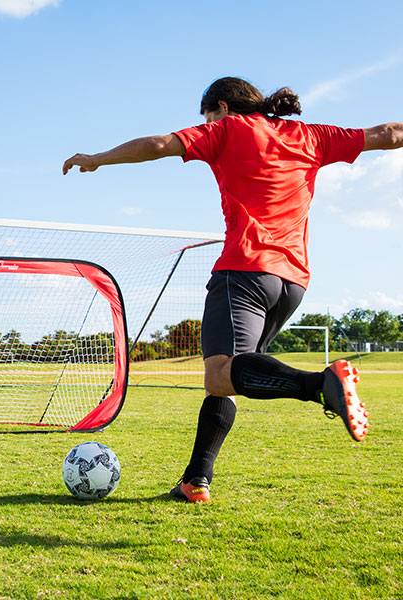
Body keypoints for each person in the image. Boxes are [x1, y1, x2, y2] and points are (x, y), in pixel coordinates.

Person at [62, 76, 403, 503]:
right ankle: (195, 481)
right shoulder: (312, 136)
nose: (203, 123)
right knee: (230, 379)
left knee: (222, 372)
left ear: (221, 108)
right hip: (293, 282)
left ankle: (322, 384)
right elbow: (389, 134)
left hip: (244, 271)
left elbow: (158, 144)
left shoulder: (226, 130)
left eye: (205, 116)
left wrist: (96, 159)